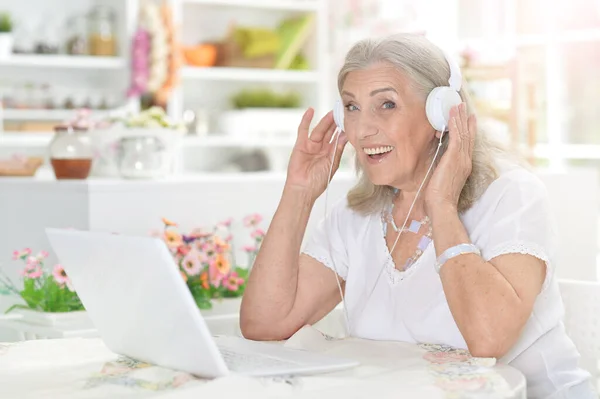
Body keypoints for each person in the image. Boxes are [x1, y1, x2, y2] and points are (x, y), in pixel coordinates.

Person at [240, 33, 595, 399]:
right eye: (351, 106)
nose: (362, 129)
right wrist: (298, 193)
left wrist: (440, 203)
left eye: (387, 105)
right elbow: (265, 323)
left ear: (440, 112)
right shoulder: (355, 216)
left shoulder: (511, 196)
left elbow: (488, 339)